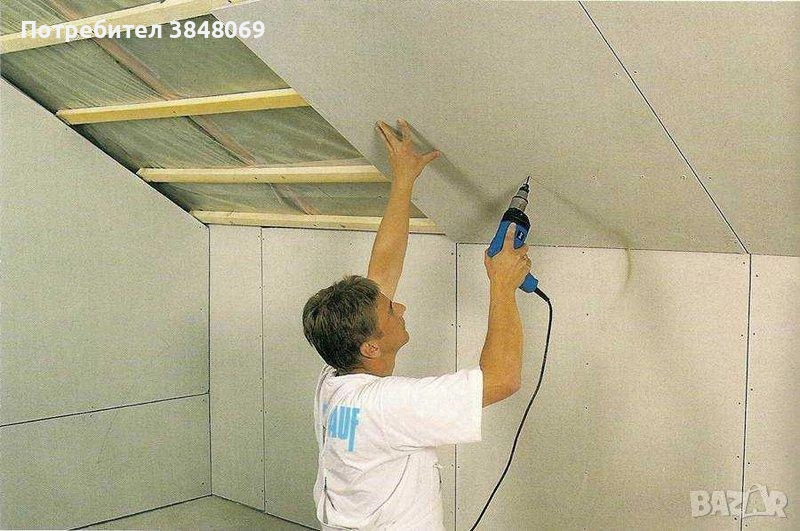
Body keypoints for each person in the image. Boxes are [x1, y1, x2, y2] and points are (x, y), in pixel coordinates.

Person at [302, 118, 531, 530]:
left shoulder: (334, 379)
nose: (401, 307)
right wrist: (502, 286)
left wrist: (404, 179)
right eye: (391, 311)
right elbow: (502, 379)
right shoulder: (386, 406)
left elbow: (382, 272)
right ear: (370, 346)